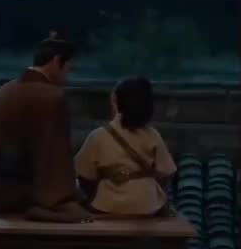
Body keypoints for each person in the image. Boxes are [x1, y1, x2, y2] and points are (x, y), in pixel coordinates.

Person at [0, 31, 93, 223]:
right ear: (56, 61)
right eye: (68, 68)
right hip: (29, 195)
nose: (67, 76)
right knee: (78, 212)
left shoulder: (6, 89)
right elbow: (55, 157)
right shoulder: (52, 96)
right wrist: (68, 194)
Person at [74, 76, 177, 217]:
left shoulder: (98, 136)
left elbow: (84, 175)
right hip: (148, 205)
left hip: (108, 204)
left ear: (117, 103)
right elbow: (167, 172)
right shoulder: (153, 135)